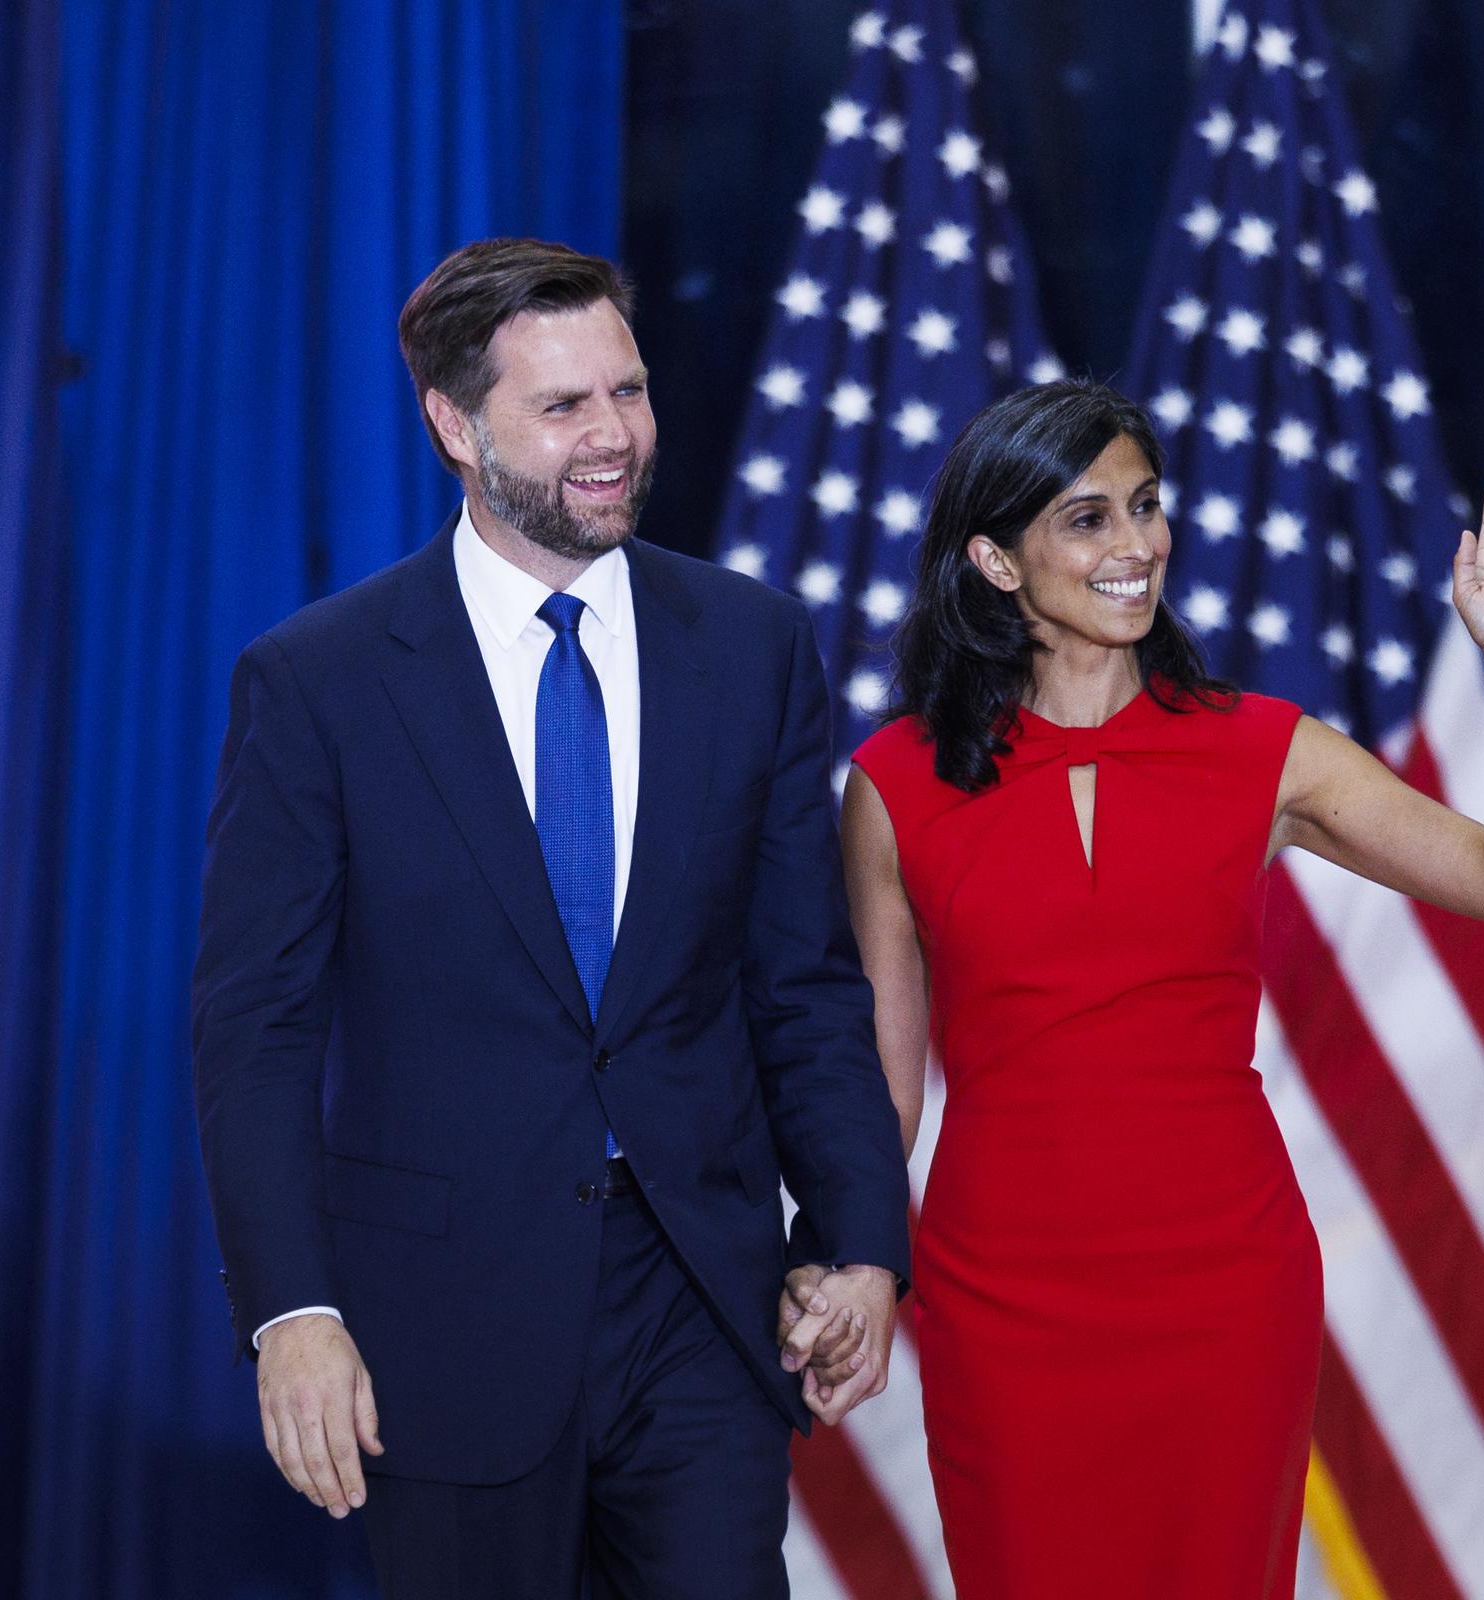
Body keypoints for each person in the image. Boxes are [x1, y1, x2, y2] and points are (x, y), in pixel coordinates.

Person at [190, 237, 912, 1600]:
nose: (615, 438)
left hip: (701, 1301)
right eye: (565, 407)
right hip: (445, 1324)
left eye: (628, 393)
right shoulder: (320, 684)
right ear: (456, 426)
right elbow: (256, 1030)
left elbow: (801, 983)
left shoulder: (752, 644)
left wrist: (861, 1236)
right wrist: (292, 1310)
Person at [842, 380, 1484, 1599]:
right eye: (1087, 519)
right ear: (997, 560)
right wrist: (844, 1255)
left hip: (1223, 1292)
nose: (1136, 546)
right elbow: (883, 1092)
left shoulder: (1264, 747)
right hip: (1004, 1302)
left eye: (1145, 507)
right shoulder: (894, 782)